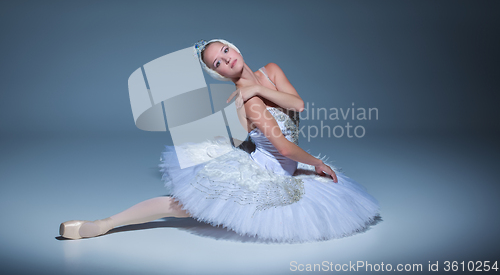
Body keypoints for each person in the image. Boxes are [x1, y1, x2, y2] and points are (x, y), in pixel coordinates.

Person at [59, 39, 380, 243]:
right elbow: (281, 147)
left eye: (225, 51)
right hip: (269, 167)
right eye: (217, 63)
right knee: (182, 207)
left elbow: (298, 105)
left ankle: (105, 223)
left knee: (332, 192)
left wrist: (257, 88)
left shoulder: (270, 72)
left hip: (286, 163)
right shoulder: (246, 104)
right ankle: (104, 224)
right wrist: (317, 162)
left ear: (235, 48)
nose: (226, 60)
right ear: (218, 74)